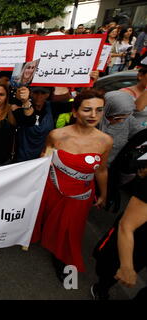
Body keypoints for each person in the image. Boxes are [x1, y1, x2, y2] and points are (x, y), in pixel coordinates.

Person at [31, 89, 113, 280]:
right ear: (75, 112)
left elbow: (101, 170)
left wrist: (103, 194)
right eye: (87, 110)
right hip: (53, 189)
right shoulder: (57, 135)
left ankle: (61, 258)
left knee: (70, 229)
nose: (93, 115)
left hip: (80, 195)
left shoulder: (105, 141)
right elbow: (45, 159)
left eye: (99, 110)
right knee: (49, 220)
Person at [92, 135, 147, 300]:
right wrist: (127, 266)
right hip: (139, 236)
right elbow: (126, 226)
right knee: (110, 267)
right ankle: (101, 288)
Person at [98, 91, 143, 166]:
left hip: (115, 167)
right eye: (117, 117)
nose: (121, 121)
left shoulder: (129, 120)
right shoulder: (94, 120)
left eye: (125, 117)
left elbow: (141, 134)